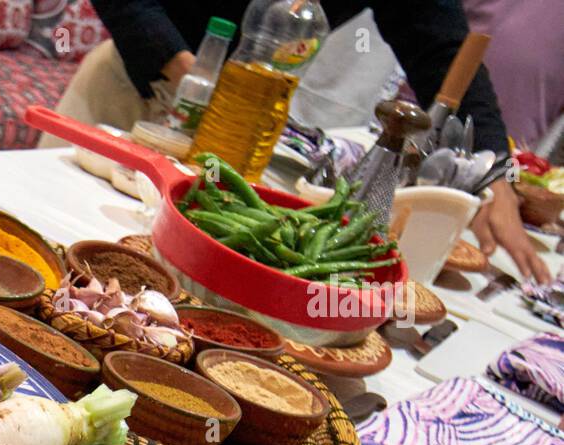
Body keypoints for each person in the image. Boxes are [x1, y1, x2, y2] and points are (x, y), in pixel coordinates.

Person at [52, 0, 550, 282]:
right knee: (59, 252)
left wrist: (497, 176)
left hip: (244, 126)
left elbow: (442, 48)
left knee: (168, 280)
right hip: (137, 92)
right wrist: (195, 74)